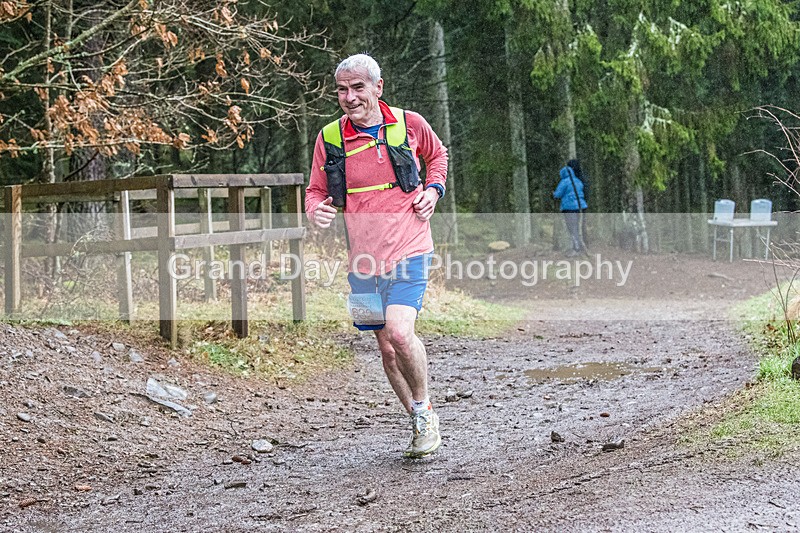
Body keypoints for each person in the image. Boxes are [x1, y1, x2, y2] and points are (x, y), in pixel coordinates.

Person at [305, 54, 448, 458]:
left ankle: (423, 411)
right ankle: (419, 417)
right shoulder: (329, 137)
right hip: (362, 262)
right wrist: (315, 209)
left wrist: (432, 191)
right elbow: (315, 191)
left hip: (410, 247)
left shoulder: (409, 124)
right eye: (341, 90)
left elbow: (438, 157)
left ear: (378, 87)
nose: (349, 97)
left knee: (401, 334)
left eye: (357, 88)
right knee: (385, 349)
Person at [553, 158, 588, 257]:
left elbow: (558, 194)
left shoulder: (564, 182)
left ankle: (576, 249)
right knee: (577, 227)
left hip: (569, 208)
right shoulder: (578, 181)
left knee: (572, 228)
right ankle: (580, 247)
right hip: (581, 207)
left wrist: (553, 194)